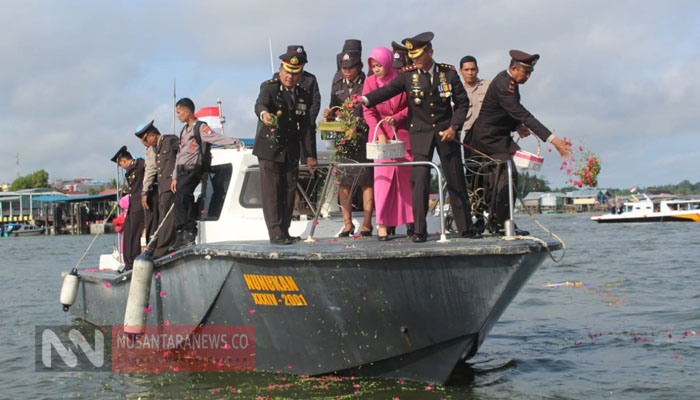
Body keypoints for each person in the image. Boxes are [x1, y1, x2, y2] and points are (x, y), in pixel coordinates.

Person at [362, 32, 478, 242]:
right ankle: (419, 229)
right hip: (420, 133)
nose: (414, 59)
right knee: (420, 179)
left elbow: (462, 103)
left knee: (455, 178)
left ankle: (466, 227)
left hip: (445, 133)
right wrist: (364, 99)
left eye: (418, 54)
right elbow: (388, 91)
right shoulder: (407, 75)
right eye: (412, 55)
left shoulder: (449, 73)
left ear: (430, 52)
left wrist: (454, 126)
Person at [469, 50, 573, 234]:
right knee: (509, 174)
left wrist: (517, 125)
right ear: (514, 68)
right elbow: (522, 112)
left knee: (506, 176)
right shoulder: (504, 85)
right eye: (526, 72)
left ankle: (499, 220)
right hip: (488, 139)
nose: (528, 77)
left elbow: (509, 110)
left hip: (500, 137)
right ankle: (499, 222)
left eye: (530, 73)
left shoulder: (510, 82)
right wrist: (553, 140)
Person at [253, 45, 318, 245]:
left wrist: (310, 155)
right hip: (270, 148)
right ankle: (275, 234)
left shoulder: (303, 94)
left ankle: (285, 230)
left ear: (300, 75)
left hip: (291, 148)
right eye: (287, 72)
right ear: (281, 70)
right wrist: (265, 115)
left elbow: (307, 127)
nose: (290, 77)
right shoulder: (269, 87)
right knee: (273, 190)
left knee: (289, 190)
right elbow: (260, 105)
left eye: (295, 73)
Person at [170, 97, 241, 250]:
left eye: (179, 112)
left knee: (183, 198)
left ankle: (187, 231)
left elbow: (215, 137)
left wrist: (234, 141)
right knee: (181, 201)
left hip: (192, 169)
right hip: (182, 171)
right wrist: (175, 176)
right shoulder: (184, 131)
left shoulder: (200, 128)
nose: (178, 116)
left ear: (187, 111)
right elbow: (179, 155)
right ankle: (182, 232)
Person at [323, 39, 374, 237]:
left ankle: (368, 224)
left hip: (363, 136)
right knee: (343, 181)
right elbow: (333, 106)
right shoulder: (336, 82)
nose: (347, 71)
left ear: (359, 67)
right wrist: (329, 115)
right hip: (343, 138)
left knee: (365, 181)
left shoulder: (367, 81)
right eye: (344, 67)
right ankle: (347, 224)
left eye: (350, 67)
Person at [362, 46, 414, 241]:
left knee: (407, 183)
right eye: (373, 66)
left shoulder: (402, 78)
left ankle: (412, 221)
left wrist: (397, 117)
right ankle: (382, 225)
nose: (376, 69)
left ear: (388, 62)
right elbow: (368, 111)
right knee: (382, 184)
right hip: (380, 139)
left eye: (379, 65)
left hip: (403, 135)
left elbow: (412, 105)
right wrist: (381, 132)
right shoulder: (369, 82)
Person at [135, 120, 179, 257]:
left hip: (170, 186)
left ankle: (162, 249)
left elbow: (181, 156)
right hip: (163, 187)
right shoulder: (156, 147)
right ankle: (160, 247)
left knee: (167, 219)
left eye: (146, 139)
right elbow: (153, 168)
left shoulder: (170, 140)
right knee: (163, 219)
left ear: (153, 135)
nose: (147, 144)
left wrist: (176, 176)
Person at [272, 45, 321, 160]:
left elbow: (315, 102)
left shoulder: (310, 79)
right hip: (285, 127)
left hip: (306, 127)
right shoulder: (277, 77)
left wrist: (306, 120)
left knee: (307, 161)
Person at [110, 146, 145, 270]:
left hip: (139, 205)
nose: (122, 167)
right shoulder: (130, 171)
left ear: (124, 161)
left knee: (135, 234)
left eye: (121, 164)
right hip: (132, 206)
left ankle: (133, 261)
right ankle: (128, 262)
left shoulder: (140, 165)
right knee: (128, 234)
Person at [138, 126, 158, 243]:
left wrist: (145, 191)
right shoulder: (151, 150)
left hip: (153, 189)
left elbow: (151, 171)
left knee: (153, 220)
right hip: (152, 188)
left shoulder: (153, 150)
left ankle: (152, 246)